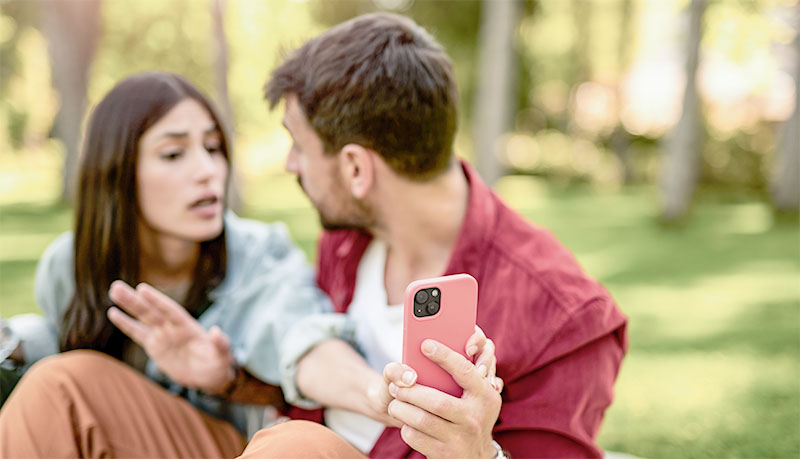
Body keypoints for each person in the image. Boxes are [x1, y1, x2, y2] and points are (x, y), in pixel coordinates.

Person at [260, 12, 629, 458]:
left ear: (356, 168)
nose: (290, 164)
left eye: (298, 145)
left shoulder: (563, 318)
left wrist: (479, 454)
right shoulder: (345, 240)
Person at [0, 71, 343, 456]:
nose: (207, 171)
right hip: (131, 442)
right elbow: (65, 341)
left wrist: (227, 378)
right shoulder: (69, 266)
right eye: (174, 154)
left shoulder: (260, 256)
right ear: (117, 171)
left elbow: (305, 347)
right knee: (54, 384)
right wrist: (14, 342)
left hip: (241, 447)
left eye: (213, 148)